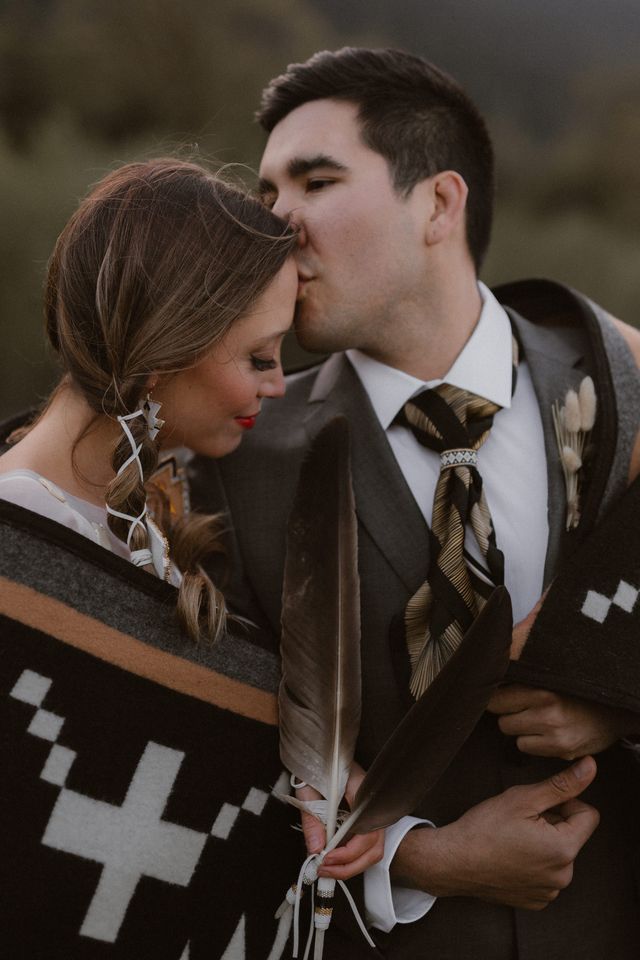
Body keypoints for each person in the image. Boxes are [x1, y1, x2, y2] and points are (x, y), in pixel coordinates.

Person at [188, 49, 640, 958]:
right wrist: (415, 859)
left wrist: (623, 697)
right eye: (266, 193)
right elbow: (201, 749)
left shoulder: (627, 390)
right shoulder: (234, 458)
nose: (276, 224)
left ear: (439, 204)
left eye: (315, 181)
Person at [0, 158, 378, 959]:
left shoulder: (152, 534)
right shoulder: (17, 545)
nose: (278, 386)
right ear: (169, 346)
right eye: (260, 355)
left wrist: (299, 772)